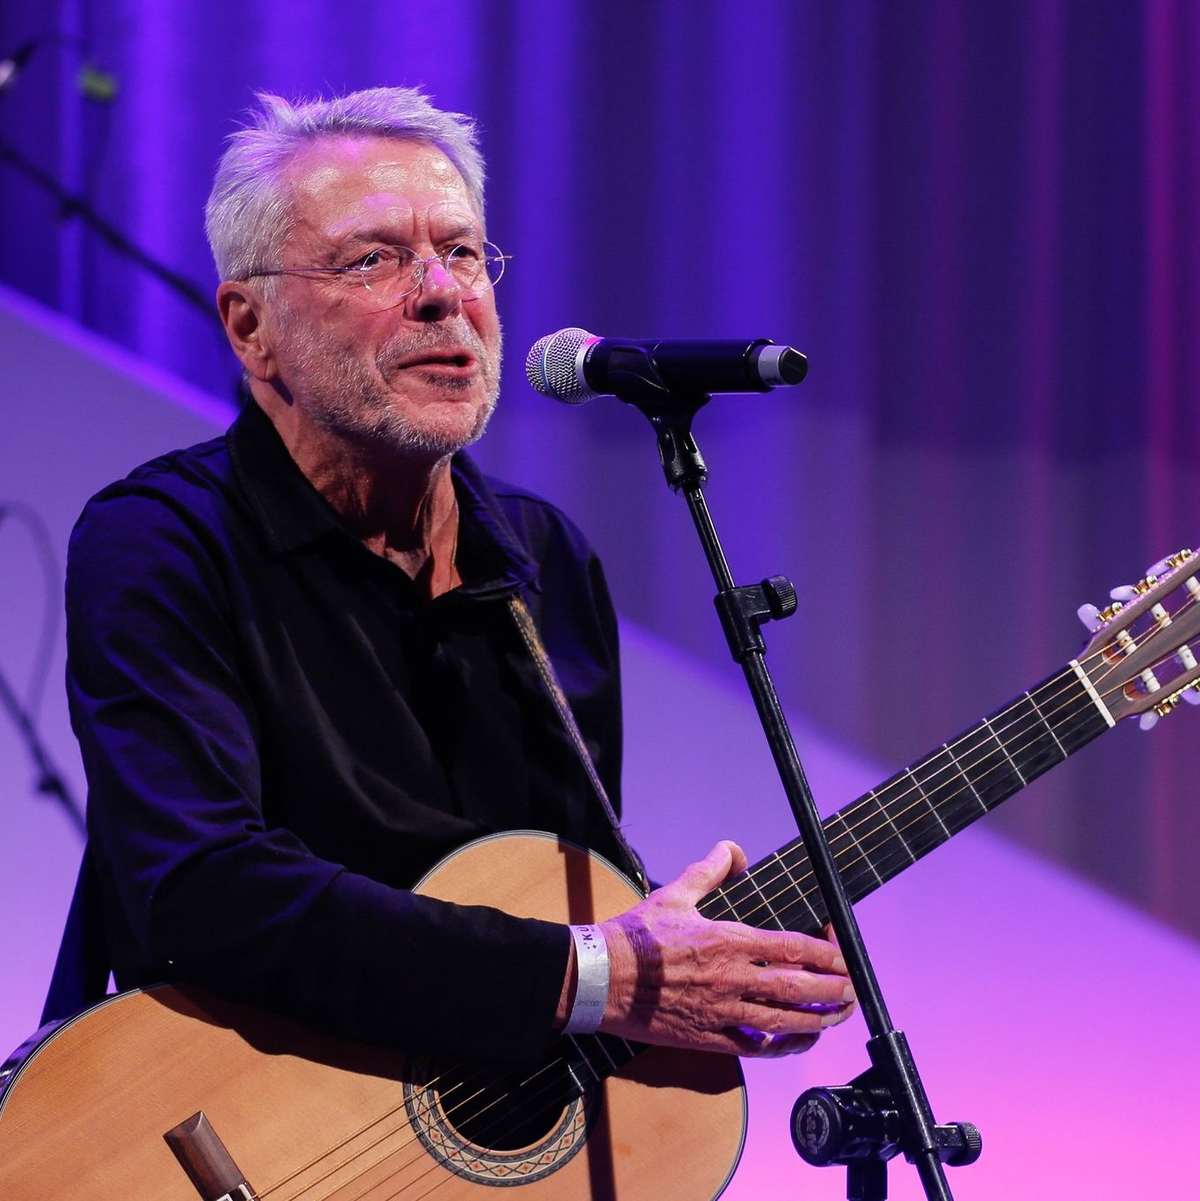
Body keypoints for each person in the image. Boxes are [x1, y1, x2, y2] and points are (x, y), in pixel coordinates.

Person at [56, 87, 853, 1071]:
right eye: (373, 259)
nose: (443, 294)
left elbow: (554, 904)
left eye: (464, 252)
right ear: (250, 326)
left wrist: (707, 979)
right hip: (217, 1126)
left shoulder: (544, 557)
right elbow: (203, 892)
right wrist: (599, 975)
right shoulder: (162, 541)